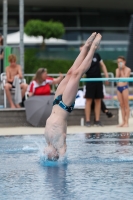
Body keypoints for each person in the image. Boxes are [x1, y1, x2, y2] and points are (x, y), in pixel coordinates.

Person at [44, 32, 102, 160]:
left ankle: (86, 46)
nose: (48, 153)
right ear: (56, 155)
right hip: (65, 106)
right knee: (77, 74)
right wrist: (60, 160)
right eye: (50, 155)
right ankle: (93, 48)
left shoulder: (49, 143)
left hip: (56, 102)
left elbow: (44, 152)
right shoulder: (60, 147)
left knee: (70, 72)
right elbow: (63, 156)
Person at [79, 46, 109, 127]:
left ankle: (97, 120)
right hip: (89, 81)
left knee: (98, 100)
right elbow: (80, 69)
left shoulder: (96, 55)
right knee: (88, 100)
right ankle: (88, 121)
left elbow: (102, 65)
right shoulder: (83, 58)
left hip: (98, 80)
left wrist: (106, 76)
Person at [116, 56, 131, 127]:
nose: (119, 63)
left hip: (124, 87)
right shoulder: (117, 70)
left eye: (120, 62)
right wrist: (119, 70)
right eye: (118, 62)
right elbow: (117, 79)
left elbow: (125, 78)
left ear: (124, 62)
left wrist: (121, 70)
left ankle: (127, 122)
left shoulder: (128, 69)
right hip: (119, 88)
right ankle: (123, 121)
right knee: (121, 105)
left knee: (126, 105)